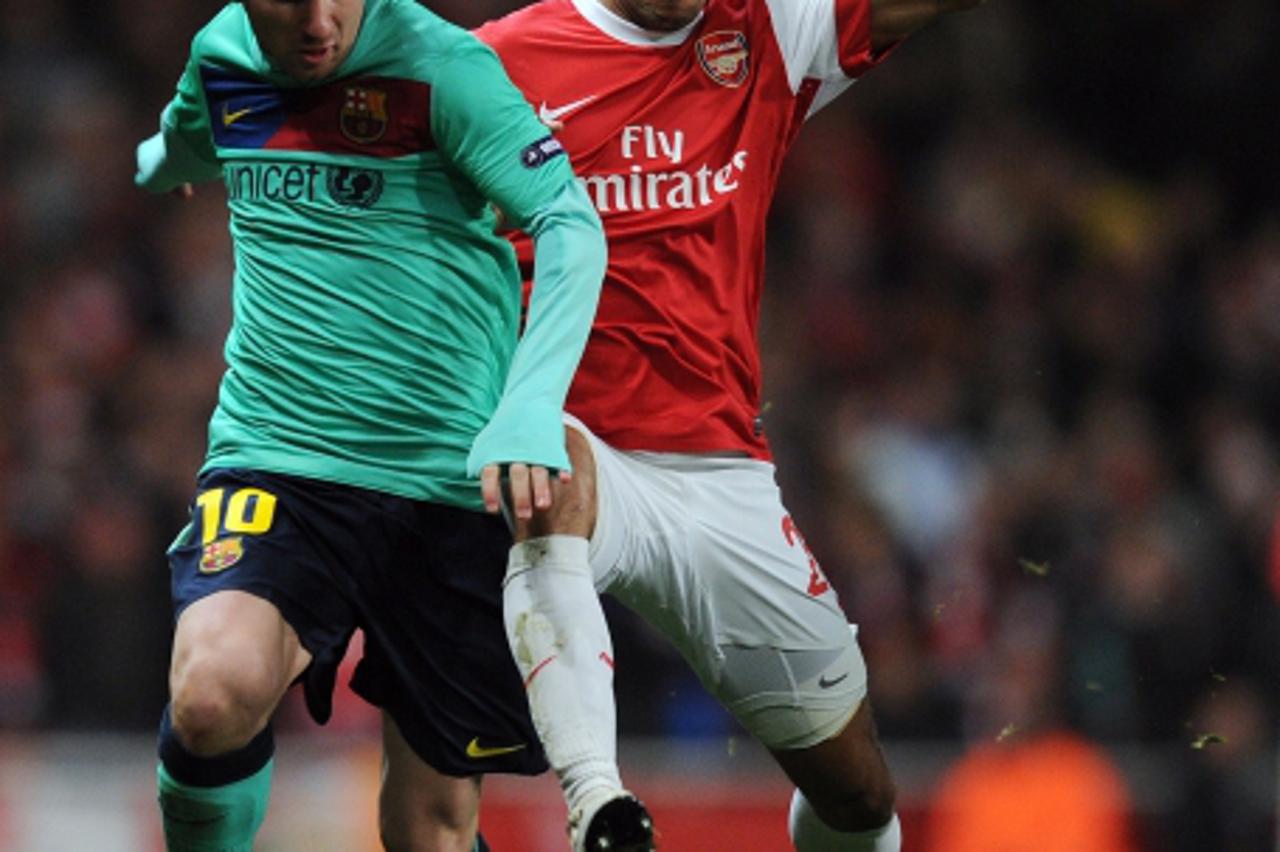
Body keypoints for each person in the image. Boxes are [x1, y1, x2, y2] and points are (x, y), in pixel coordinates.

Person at [474, 0, 987, 849]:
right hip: (571, 440)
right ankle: (598, 803)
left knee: (858, 796)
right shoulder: (499, 60)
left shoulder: (765, 32)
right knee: (550, 468)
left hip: (719, 474)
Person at [134, 0, 606, 850]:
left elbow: (568, 221)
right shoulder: (223, 56)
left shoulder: (445, 70)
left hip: (448, 481)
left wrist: (530, 403)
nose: (320, 23)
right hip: (280, 459)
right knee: (210, 692)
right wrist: (161, 161)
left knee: (430, 830)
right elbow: (191, 133)